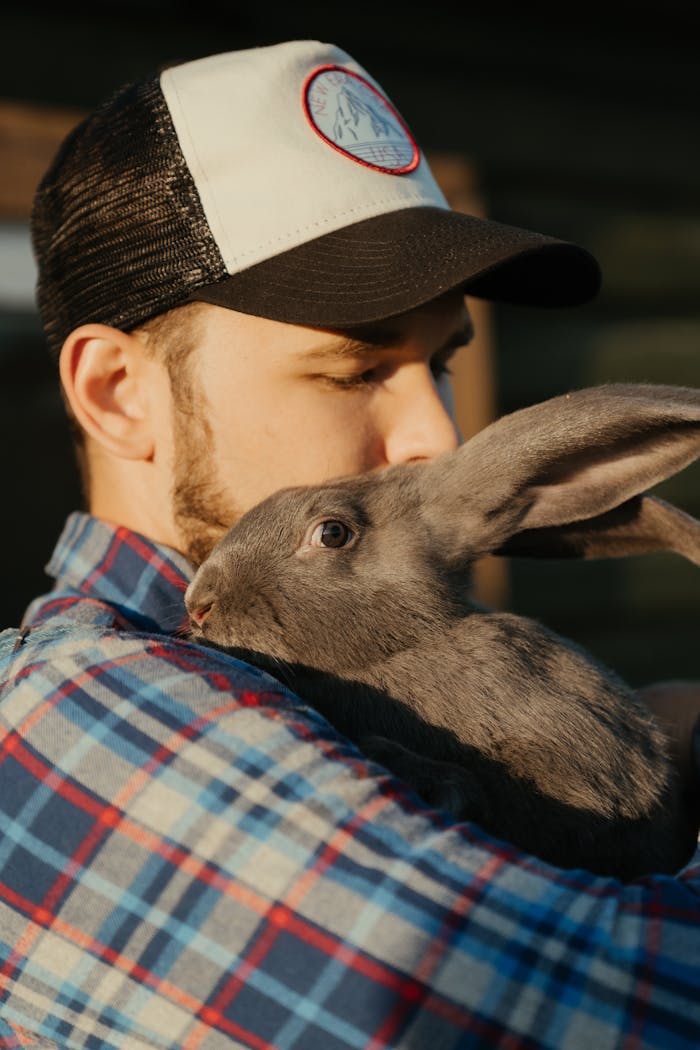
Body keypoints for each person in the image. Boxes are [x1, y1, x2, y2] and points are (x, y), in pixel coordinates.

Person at [0, 39, 698, 1050]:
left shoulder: (338, 673)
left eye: (440, 363)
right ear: (119, 394)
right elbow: (630, 1008)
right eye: (352, 370)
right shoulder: (64, 721)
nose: (435, 437)